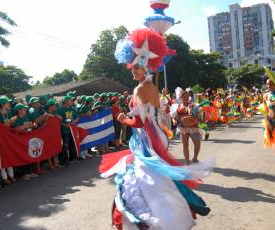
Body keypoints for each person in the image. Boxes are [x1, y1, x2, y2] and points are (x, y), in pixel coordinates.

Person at [102, 28, 214, 229]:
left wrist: (121, 118)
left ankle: (155, 218)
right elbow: (153, 116)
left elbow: (138, 123)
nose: (133, 71)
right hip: (156, 135)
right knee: (157, 177)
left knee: (144, 178)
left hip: (146, 139)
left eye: (136, 68)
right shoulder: (152, 88)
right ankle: (169, 213)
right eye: (132, 68)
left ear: (145, 66)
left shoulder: (139, 89)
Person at [172, 90, 203, 164]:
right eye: (184, 96)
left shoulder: (193, 105)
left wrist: (195, 119)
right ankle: (187, 161)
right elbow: (174, 117)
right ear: (181, 98)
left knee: (197, 144)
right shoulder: (178, 107)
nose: (186, 98)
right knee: (185, 145)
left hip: (193, 127)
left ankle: (195, 158)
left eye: (187, 96)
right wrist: (174, 121)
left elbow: (199, 117)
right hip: (183, 128)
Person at [11, 103, 38, 180]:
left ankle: (30, 172)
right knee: (23, 156)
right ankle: (24, 173)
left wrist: (33, 125)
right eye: (23, 109)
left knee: (30, 154)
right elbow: (16, 129)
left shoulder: (26, 117)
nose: (25, 110)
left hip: (28, 138)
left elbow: (30, 125)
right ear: (19, 110)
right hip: (20, 140)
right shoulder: (15, 118)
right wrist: (25, 126)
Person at [0, 96, 16, 184]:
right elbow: (1, 127)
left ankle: (11, 175)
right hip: (1, 139)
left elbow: (10, 125)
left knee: (10, 155)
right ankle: (5, 177)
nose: (9, 104)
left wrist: (11, 121)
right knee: (3, 156)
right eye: (7, 103)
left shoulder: (8, 113)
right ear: (2, 105)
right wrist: (11, 121)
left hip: (9, 137)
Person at [58, 95, 79, 165]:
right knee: (65, 145)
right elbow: (57, 120)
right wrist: (64, 124)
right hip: (64, 131)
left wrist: (74, 121)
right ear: (66, 101)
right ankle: (65, 160)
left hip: (72, 130)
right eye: (70, 100)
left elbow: (77, 117)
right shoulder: (60, 110)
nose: (71, 101)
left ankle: (73, 159)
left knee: (72, 144)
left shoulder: (72, 109)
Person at [45, 99, 63, 169]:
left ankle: (56, 162)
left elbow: (61, 119)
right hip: (48, 134)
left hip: (56, 133)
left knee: (56, 147)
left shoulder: (55, 113)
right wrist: (49, 116)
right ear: (50, 106)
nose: (55, 106)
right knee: (49, 148)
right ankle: (50, 164)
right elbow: (44, 121)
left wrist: (56, 116)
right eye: (54, 105)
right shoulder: (46, 114)